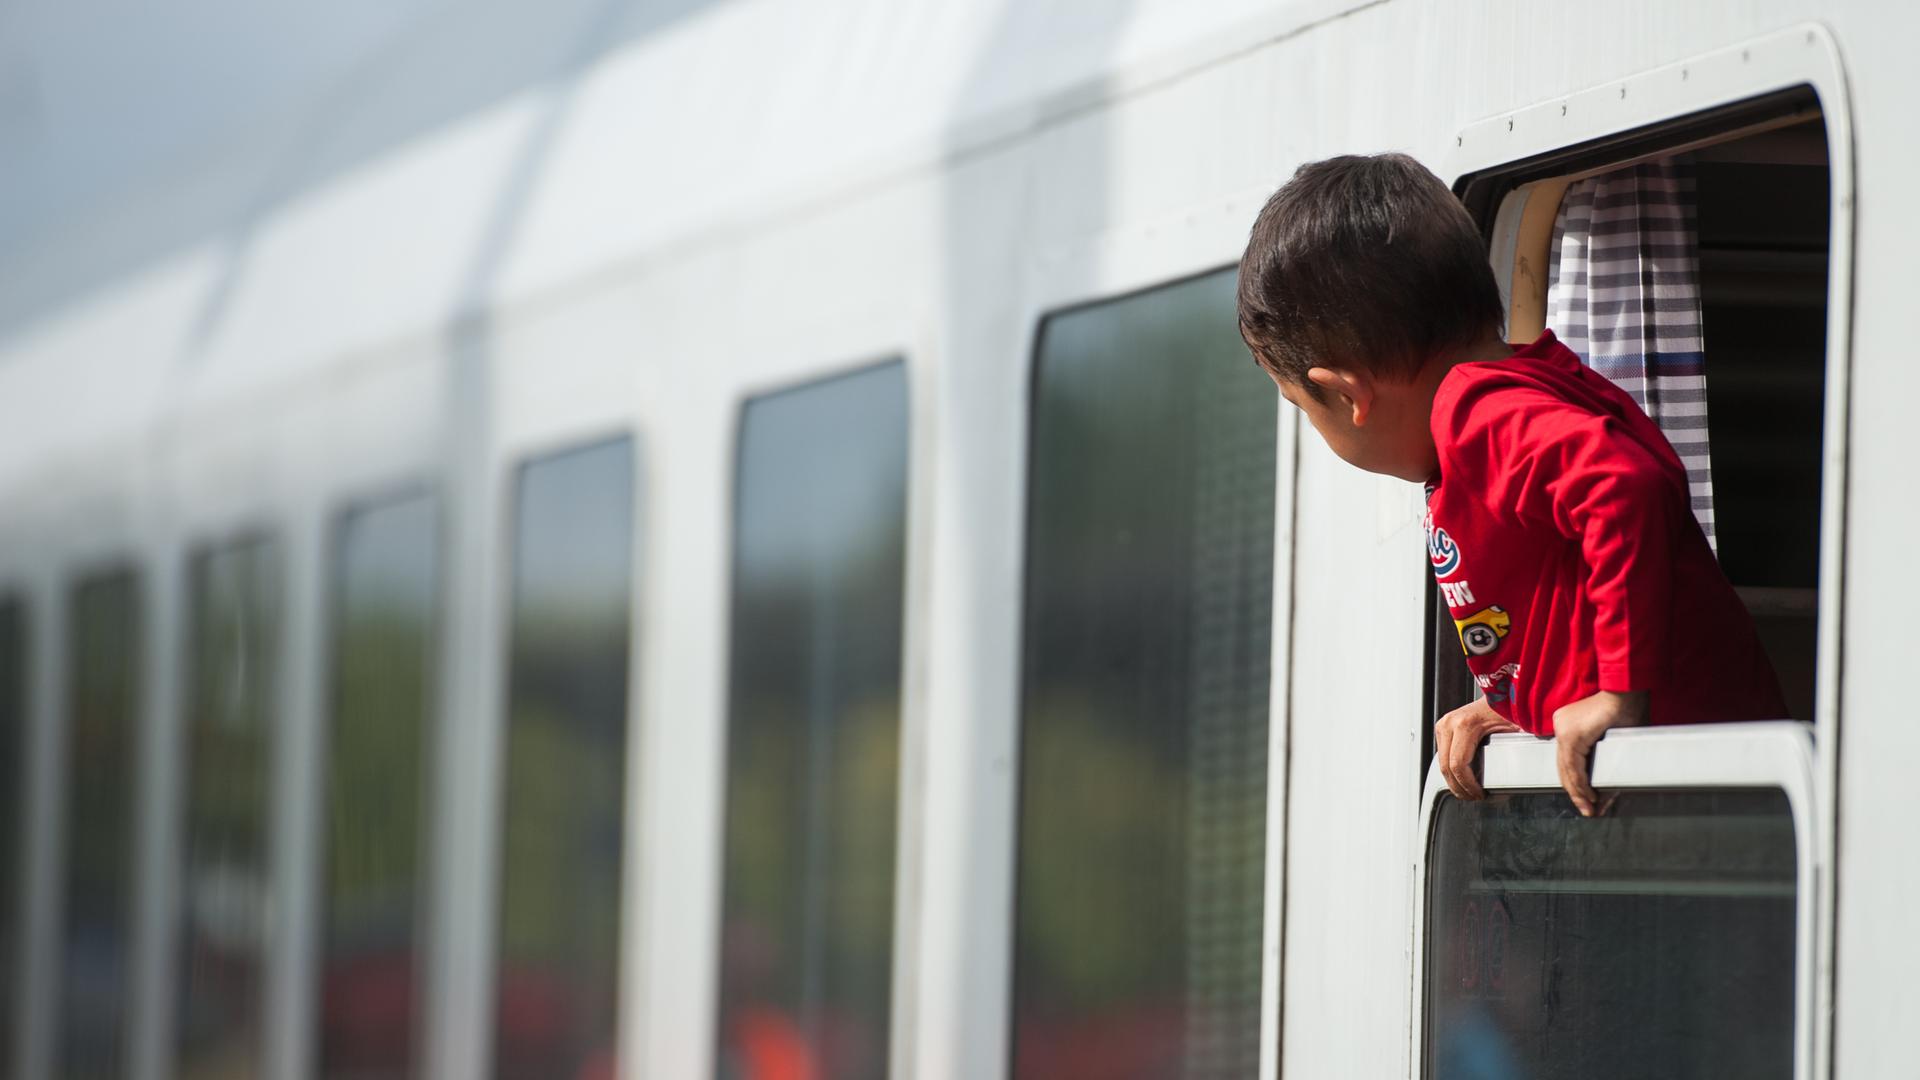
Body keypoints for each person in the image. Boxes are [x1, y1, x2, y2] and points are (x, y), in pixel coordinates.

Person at [1235, 152, 1786, 815]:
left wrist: (1617, 693)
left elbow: (1625, 484)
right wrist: (1512, 707)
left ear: (1348, 395)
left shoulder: (1476, 411)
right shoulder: (1514, 388)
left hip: (1698, 797)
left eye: (1303, 409)